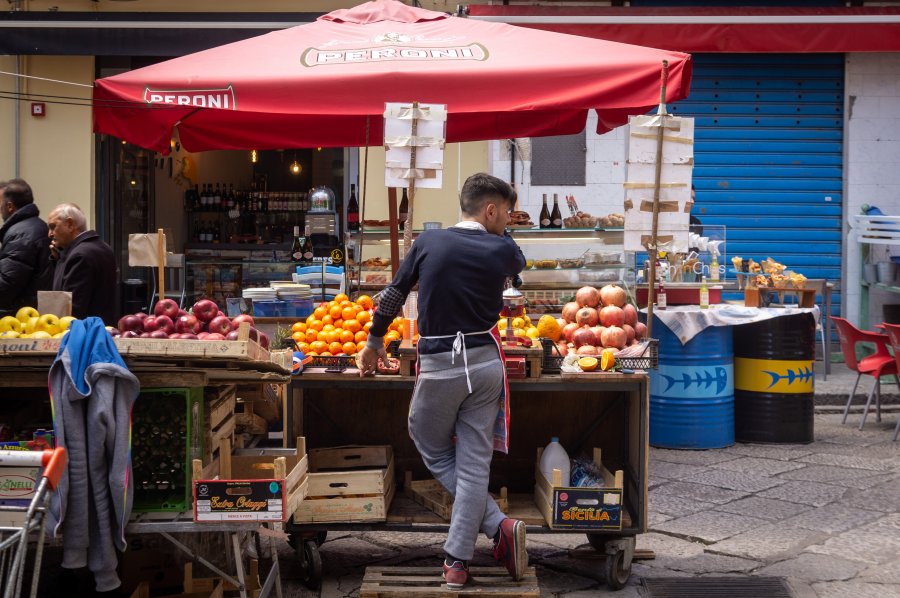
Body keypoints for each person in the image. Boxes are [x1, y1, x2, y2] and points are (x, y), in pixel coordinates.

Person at [357, 173, 528, 589]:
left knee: (428, 440)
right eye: (505, 213)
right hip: (486, 366)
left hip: (440, 365)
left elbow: (393, 295)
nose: (507, 221)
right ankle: (460, 558)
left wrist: (374, 342)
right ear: (490, 210)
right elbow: (518, 272)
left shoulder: (428, 243)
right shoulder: (504, 247)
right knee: (473, 465)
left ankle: (490, 531)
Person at [47, 203, 118, 325]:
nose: (50, 234)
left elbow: (71, 309)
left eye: (53, 227)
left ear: (70, 224)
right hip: (101, 329)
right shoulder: (103, 247)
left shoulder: (79, 255)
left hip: (84, 334)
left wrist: (61, 261)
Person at [0, 178, 51, 316]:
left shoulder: (20, 233)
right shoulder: (37, 226)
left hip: (21, 314)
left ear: (10, 206)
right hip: (32, 311)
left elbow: (7, 284)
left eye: (1, 204)